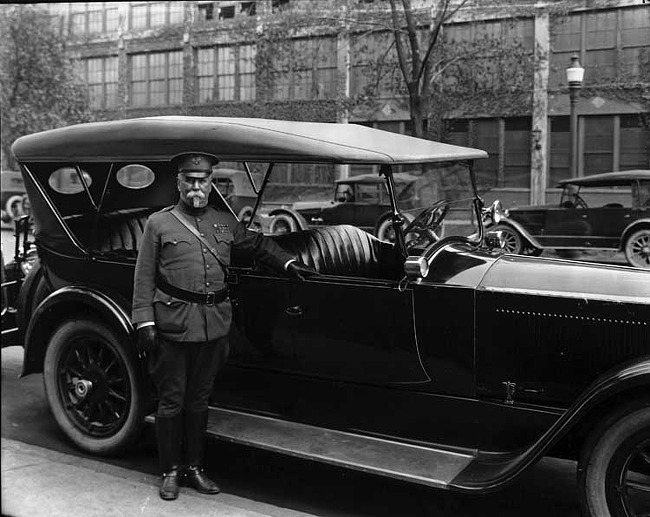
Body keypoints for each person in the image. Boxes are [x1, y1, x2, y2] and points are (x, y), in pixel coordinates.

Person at [132, 152, 316, 501]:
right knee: (171, 402)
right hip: (173, 326)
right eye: (190, 180)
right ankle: (170, 471)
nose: (196, 187)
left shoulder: (223, 222)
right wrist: (145, 321)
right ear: (180, 183)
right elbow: (143, 276)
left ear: (211, 183)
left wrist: (289, 263)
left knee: (200, 401)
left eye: (203, 181)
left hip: (213, 327)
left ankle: (195, 468)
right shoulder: (160, 223)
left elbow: (259, 245)